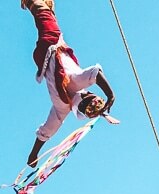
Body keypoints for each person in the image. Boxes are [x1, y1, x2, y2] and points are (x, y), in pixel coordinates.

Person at [22, 0, 115, 167]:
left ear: (86, 95)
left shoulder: (76, 85)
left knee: (44, 16)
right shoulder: (62, 109)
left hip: (52, 45)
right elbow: (46, 132)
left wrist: (110, 95)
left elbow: (96, 73)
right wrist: (33, 154)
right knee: (44, 16)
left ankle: (35, 2)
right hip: (44, 56)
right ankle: (37, 4)